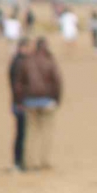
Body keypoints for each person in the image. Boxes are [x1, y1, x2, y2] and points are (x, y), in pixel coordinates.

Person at [14, 37, 62, 171]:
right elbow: (57, 82)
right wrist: (57, 99)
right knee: (46, 132)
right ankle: (44, 161)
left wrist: (19, 100)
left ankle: (30, 162)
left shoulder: (27, 61)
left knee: (31, 132)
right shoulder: (49, 61)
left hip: (30, 101)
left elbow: (18, 83)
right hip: (47, 100)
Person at [8, 37, 32, 172]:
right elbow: (16, 85)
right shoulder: (18, 62)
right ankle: (18, 162)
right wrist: (19, 102)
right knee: (21, 133)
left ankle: (21, 161)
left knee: (23, 133)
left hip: (20, 102)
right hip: (20, 103)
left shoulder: (19, 61)